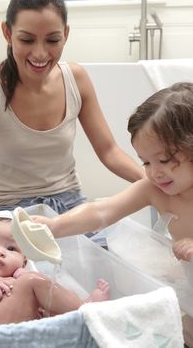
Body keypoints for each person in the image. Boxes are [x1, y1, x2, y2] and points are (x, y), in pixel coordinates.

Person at [0, 0, 143, 214]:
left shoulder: (76, 79)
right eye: (27, 40)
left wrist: (156, 183)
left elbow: (109, 151)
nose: (40, 53)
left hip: (70, 203)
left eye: (52, 40)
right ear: (7, 33)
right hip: (8, 209)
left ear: (65, 34)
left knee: (101, 247)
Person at [32, 82, 193, 263]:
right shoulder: (153, 189)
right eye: (145, 162)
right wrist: (55, 225)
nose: (154, 172)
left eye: (164, 160)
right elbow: (102, 211)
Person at [0, 217, 110, 326]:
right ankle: (86, 309)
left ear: (24, 262)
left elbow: (51, 295)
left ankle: (78, 312)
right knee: (31, 281)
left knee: (46, 294)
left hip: (31, 327)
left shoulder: (23, 278)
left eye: (11, 248)